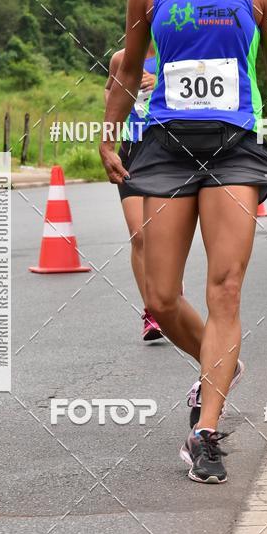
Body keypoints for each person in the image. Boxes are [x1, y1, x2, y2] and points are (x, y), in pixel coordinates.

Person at [99, 0, 267, 484]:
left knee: (225, 286)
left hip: (234, 148)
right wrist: (110, 137)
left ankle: (205, 431)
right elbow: (129, 65)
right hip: (164, 144)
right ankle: (220, 363)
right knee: (161, 298)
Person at [105, 46, 163, 341]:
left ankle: (167, 294)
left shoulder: (174, 50)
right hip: (132, 150)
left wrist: (160, 81)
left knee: (162, 233)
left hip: (166, 152)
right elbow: (109, 92)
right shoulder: (121, 58)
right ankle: (152, 311)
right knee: (139, 233)